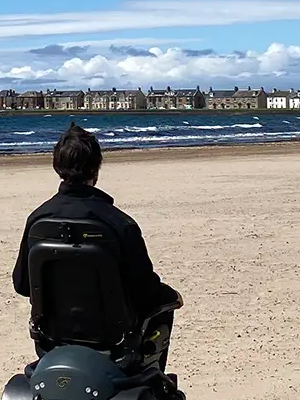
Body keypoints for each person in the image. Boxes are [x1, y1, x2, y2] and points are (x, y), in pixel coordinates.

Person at [12, 123, 182, 369]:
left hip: (54, 338)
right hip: (115, 340)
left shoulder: (39, 220)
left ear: (57, 167)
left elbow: (22, 285)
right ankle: (152, 375)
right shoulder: (119, 223)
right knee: (166, 304)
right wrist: (169, 296)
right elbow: (145, 290)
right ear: (96, 168)